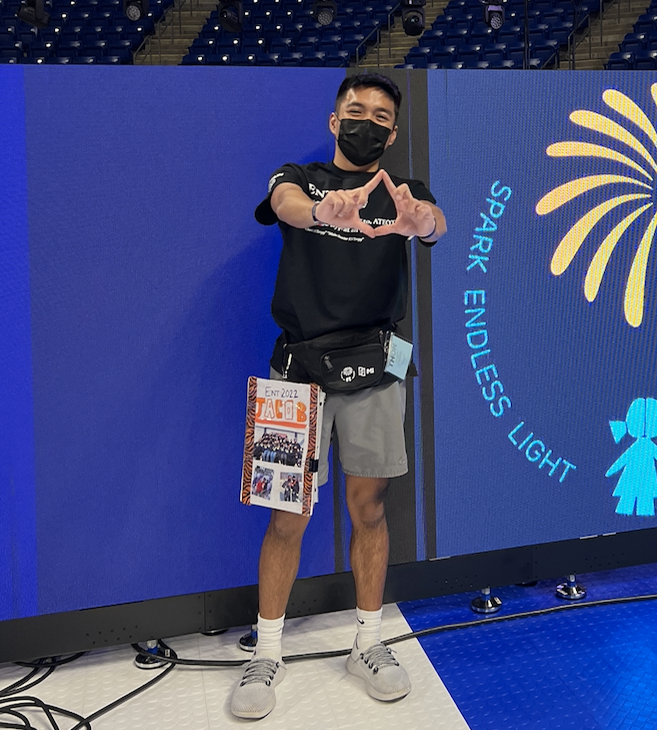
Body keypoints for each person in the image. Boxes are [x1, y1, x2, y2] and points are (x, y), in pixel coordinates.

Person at [230, 72, 446, 720]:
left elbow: (434, 224)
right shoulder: (301, 176)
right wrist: (323, 211)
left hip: (377, 368)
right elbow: (285, 201)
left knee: (369, 508)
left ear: (394, 130)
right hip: (293, 371)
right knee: (285, 518)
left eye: (382, 115)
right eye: (357, 110)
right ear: (334, 120)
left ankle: (369, 643)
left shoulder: (405, 193)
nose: (369, 120)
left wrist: (421, 220)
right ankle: (265, 652)